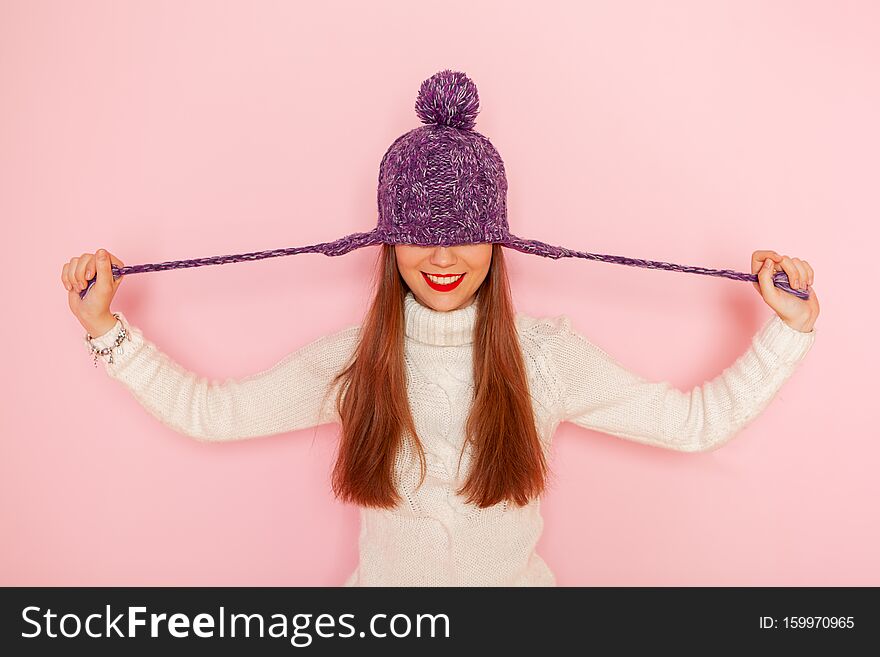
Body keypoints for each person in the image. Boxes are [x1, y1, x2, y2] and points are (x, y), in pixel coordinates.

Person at [61, 71, 819, 586]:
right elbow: (213, 414)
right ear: (390, 241)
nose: (445, 256)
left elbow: (692, 424)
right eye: (421, 231)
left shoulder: (545, 358)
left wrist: (786, 333)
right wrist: (107, 332)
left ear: (499, 238)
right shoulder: (355, 365)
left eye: (465, 232)